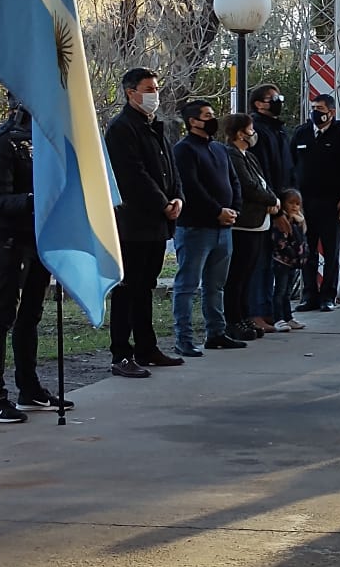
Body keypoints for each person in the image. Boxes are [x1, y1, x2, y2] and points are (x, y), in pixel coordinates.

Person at [0, 98, 73, 423]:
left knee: (31, 314)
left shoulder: (42, 145)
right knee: (4, 314)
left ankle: (28, 389)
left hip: (38, 239)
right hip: (10, 240)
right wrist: (37, 199)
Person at [104, 67, 185, 379]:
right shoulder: (122, 128)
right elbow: (132, 174)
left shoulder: (155, 126)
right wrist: (162, 203)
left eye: (156, 87)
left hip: (157, 224)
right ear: (130, 92)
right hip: (133, 224)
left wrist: (177, 197)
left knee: (145, 288)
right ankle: (121, 354)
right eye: (148, 88)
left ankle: (146, 347)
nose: (154, 94)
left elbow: (169, 168)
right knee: (127, 289)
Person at [171, 100, 246, 355]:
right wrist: (216, 211)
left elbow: (233, 181)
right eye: (207, 115)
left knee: (215, 285)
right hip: (195, 228)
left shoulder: (219, 149)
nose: (213, 119)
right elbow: (190, 187)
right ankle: (184, 338)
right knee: (187, 286)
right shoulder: (184, 150)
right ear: (193, 121)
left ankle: (216, 332)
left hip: (224, 229)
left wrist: (234, 209)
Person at [289, 93, 340, 312]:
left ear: (331, 112)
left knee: (331, 252)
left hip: (332, 204)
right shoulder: (301, 133)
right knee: (306, 250)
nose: (316, 112)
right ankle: (308, 295)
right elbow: (290, 166)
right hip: (304, 204)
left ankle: (327, 296)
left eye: (320, 108)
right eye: (313, 107)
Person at [223, 113, 281, 339]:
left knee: (247, 275)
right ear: (240, 133)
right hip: (244, 225)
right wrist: (271, 200)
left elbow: (262, 182)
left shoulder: (249, 156)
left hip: (259, 224)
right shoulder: (232, 155)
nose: (253, 133)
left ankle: (245, 317)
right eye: (250, 129)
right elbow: (248, 186)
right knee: (237, 276)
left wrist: (274, 199)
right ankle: (234, 320)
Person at [247, 84, 293, 330]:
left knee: (277, 262)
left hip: (283, 203)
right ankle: (258, 312)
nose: (277, 101)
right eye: (271, 98)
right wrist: (274, 208)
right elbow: (263, 172)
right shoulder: (259, 131)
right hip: (267, 207)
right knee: (261, 263)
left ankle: (274, 312)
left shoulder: (280, 131)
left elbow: (287, 169)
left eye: (278, 96)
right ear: (258, 104)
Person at [271, 188, 309, 330]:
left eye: (297, 203)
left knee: (287, 291)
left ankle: (288, 316)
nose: (294, 206)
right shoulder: (282, 222)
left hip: (294, 263)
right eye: (291, 203)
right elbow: (280, 242)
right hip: (282, 262)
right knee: (280, 290)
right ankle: (278, 318)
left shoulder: (299, 221)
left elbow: (302, 240)